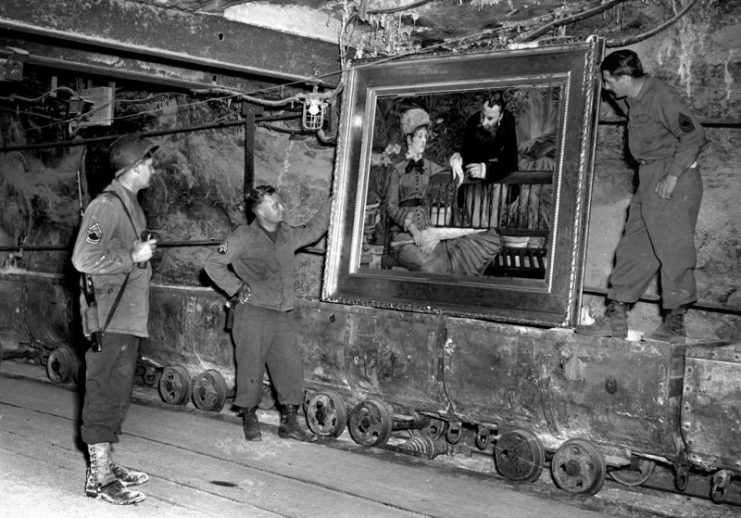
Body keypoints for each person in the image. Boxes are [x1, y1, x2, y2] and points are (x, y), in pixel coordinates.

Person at [576, 49, 707, 343]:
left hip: (673, 176)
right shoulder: (632, 99)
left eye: (608, 82)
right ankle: (616, 318)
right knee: (634, 245)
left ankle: (675, 325)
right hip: (648, 176)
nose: (606, 88)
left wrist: (673, 176)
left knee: (673, 248)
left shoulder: (663, 97)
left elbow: (694, 134)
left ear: (624, 78)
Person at [72, 135, 160, 505]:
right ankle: (99, 477)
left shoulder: (131, 205)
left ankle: (105, 462)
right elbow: (83, 258)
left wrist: (137, 255)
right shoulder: (105, 207)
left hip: (128, 316)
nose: (153, 169)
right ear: (134, 167)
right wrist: (131, 254)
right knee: (104, 390)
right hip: (110, 317)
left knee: (117, 392)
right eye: (149, 163)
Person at [204, 185, 329, 443]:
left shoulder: (287, 234)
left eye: (281, 203)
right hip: (253, 312)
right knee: (251, 365)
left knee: (290, 365)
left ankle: (290, 421)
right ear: (259, 211)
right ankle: (249, 417)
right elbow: (212, 263)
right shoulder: (243, 237)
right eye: (275, 205)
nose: (282, 208)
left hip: (281, 312)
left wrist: (334, 200)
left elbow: (315, 229)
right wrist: (236, 287)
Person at [385, 108, 499, 275]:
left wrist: (456, 160)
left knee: (450, 258)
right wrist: (413, 230)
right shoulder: (397, 169)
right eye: (419, 137)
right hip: (403, 235)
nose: (424, 141)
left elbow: (450, 172)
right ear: (409, 139)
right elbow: (391, 207)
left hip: (426, 229)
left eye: (425, 136)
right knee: (433, 266)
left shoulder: (428, 166)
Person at [450, 93, 520, 228]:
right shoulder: (473, 121)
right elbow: (466, 156)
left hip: (498, 179)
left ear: (500, 116)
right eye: (483, 115)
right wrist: (457, 159)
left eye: (490, 118)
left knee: (493, 225)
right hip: (474, 181)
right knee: (477, 225)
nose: (484, 122)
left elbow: (510, 160)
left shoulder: (508, 121)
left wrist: (486, 169)